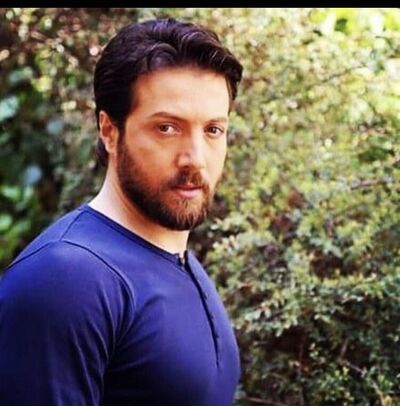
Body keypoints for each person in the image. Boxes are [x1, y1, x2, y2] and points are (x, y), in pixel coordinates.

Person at [0, 17, 243, 406]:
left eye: (213, 130)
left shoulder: (177, 258)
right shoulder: (65, 281)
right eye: (167, 128)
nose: (195, 158)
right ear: (109, 131)